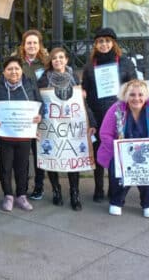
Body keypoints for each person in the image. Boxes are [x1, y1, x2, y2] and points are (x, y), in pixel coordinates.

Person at [98, 79, 149, 218]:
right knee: (117, 175)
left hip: (147, 153)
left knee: (147, 174)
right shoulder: (116, 109)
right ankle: (116, 201)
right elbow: (105, 134)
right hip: (120, 153)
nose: (136, 98)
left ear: (146, 96)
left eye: (140, 95)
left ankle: (148, 203)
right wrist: (119, 151)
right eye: (132, 95)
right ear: (125, 96)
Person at [82, 27, 138, 203]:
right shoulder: (90, 66)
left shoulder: (125, 62)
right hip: (97, 114)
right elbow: (85, 90)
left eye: (107, 41)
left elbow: (135, 87)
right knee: (99, 153)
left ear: (113, 43)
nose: (103, 44)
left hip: (120, 114)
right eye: (100, 41)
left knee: (120, 153)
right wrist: (82, 93)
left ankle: (116, 190)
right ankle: (99, 188)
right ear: (95, 45)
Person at [38, 47, 96, 211]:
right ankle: (56, 190)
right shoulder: (43, 80)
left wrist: (91, 123)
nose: (58, 60)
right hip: (52, 126)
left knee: (72, 158)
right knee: (53, 159)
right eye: (54, 58)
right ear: (51, 61)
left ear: (66, 60)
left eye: (61, 57)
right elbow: (39, 102)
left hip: (71, 126)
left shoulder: (74, 78)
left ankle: (74, 193)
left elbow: (82, 104)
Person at [0, 56, 42, 212]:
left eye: (16, 68)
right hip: (5, 136)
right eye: (10, 69)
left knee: (22, 167)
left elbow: (40, 104)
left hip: (24, 135)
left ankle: (21, 195)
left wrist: (39, 116)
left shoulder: (29, 85)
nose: (14, 71)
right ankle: (8, 195)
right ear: (4, 72)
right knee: (5, 167)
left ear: (21, 70)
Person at [15, 29, 50, 202]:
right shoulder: (17, 63)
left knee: (39, 153)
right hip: (24, 113)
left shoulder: (46, 62)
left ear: (39, 45)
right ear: (24, 45)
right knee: (23, 153)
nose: (32, 45)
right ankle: (23, 186)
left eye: (35, 43)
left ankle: (39, 185)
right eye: (29, 42)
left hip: (43, 112)